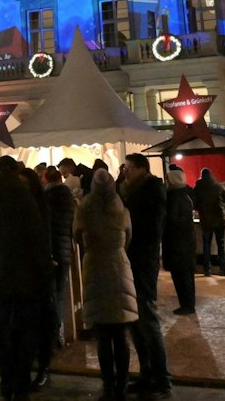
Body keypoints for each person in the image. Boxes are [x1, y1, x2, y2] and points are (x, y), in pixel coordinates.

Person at [0, 157, 54, 401]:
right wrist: (45, 275)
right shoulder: (24, 198)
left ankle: (7, 384)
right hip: (27, 282)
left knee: (3, 334)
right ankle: (22, 384)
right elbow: (37, 242)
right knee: (25, 336)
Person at [74, 168, 137, 401]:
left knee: (102, 335)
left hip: (95, 267)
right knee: (120, 334)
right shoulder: (122, 209)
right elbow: (129, 237)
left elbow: (77, 236)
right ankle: (122, 384)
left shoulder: (84, 210)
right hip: (118, 266)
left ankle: (108, 385)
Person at [118, 154, 171, 399]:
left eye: (128, 168)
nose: (125, 172)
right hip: (135, 261)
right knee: (136, 321)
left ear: (141, 169)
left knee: (147, 319)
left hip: (142, 262)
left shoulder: (150, 192)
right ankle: (147, 374)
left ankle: (161, 379)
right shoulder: (135, 190)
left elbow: (146, 231)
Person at [41, 166, 78, 352]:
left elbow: (47, 227)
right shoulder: (68, 197)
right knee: (60, 293)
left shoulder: (48, 198)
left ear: (46, 179)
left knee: (52, 295)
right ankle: (59, 334)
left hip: (53, 251)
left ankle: (54, 335)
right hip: (65, 250)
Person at [162, 164, 198, 315]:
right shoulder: (187, 194)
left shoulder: (173, 197)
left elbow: (172, 219)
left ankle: (186, 304)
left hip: (177, 242)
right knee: (187, 274)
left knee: (180, 275)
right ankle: (189, 303)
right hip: (188, 239)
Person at [192, 169, 225, 277]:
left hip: (205, 220)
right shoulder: (218, 186)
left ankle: (207, 269)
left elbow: (195, 203)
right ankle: (223, 268)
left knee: (206, 245)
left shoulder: (198, 188)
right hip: (219, 219)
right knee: (221, 245)